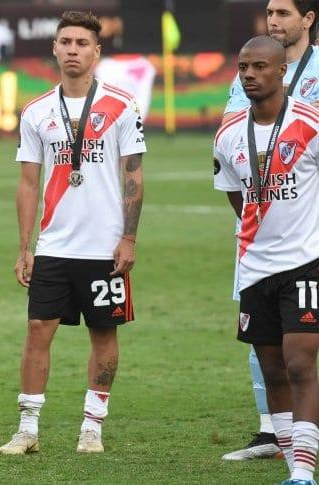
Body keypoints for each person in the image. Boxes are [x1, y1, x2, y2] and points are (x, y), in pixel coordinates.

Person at [0, 10, 146, 456]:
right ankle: (27, 429)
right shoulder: (37, 110)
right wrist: (25, 248)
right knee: (38, 328)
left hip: (104, 246)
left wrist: (129, 238)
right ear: (55, 49)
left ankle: (92, 427)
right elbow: (27, 182)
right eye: (66, 42)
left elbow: (134, 176)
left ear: (96, 52)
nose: (73, 50)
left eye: (82, 43)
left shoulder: (122, 105)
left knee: (104, 334)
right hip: (55, 245)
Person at [214, 34, 319, 485]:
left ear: (282, 71)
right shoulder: (228, 134)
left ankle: (304, 471)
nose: (250, 75)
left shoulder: (311, 123)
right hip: (255, 266)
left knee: (299, 363)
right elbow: (238, 198)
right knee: (272, 368)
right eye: (243, 68)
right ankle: (289, 457)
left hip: (305, 262)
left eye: (259, 67)